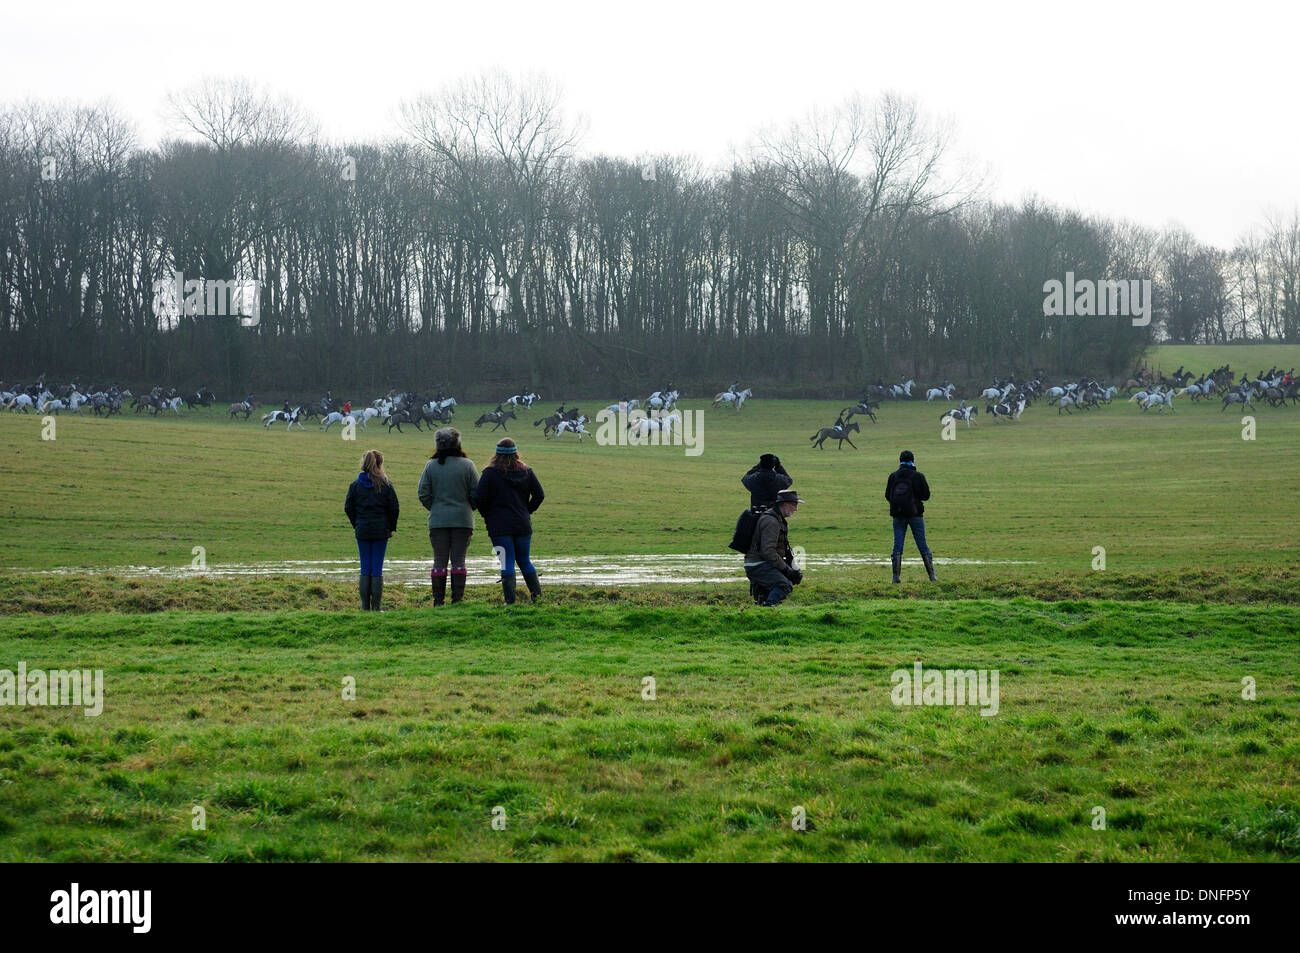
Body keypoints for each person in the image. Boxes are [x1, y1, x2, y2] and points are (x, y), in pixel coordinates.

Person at [475, 438, 545, 605]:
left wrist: (488, 515)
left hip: (499, 526)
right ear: (516, 453)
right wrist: (527, 510)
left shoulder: (490, 473)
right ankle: (537, 599)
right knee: (525, 560)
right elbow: (539, 495)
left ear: (497, 453)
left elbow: (478, 498)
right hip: (522, 524)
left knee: (506, 562)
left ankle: (510, 602)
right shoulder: (527, 471)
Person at [418, 428, 480, 606]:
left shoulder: (431, 466)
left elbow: (423, 494)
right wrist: (468, 508)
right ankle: (457, 600)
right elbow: (476, 493)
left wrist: (436, 508)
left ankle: (438, 601)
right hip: (463, 519)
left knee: (439, 560)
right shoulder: (468, 465)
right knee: (459, 560)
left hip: (438, 520)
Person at [345, 449, 400, 610]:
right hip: (381, 530)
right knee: (377, 568)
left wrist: (357, 523)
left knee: (365, 567)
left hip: (362, 529)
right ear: (380, 464)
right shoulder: (386, 484)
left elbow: (348, 507)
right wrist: (390, 526)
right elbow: (394, 507)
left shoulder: (355, 485)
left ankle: (364, 607)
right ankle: (376, 607)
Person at [744, 488, 805, 607]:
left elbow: (782, 548)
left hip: (760, 563)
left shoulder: (777, 519)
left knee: (765, 596)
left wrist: (792, 569)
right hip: (758, 564)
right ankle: (769, 611)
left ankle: (764, 613)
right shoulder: (771, 521)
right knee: (784, 585)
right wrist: (786, 570)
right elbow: (768, 551)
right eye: (794, 505)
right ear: (785, 505)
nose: (796, 509)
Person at [885, 449, 935, 583]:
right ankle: (932, 576)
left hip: (898, 515)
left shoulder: (893, 476)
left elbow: (887, 496)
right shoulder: (918, 476)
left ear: (900, 461)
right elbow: (926, 496)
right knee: (922, 544)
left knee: (898, 545)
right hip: (915, 514)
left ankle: (896, 577)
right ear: (913, 460)